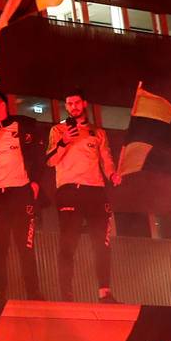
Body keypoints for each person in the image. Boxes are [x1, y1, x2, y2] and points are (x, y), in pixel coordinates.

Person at [0, 91, 47, 299]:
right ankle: (1, 293)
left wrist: (36, 183)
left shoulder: (26, 126)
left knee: (26, 247)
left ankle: (34, 293)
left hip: (22, 193)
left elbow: (40, 159)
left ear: (2, 104)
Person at [46, 90, 121, 301]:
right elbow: (50, 160)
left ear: (84, 104)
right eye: (69, 103)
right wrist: (64, 142)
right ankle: (66, 293)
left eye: (77, 102)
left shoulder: (98, 132)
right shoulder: (58, 129)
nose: (73, 107)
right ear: (66, 106)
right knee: (68, 243)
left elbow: (106, 159)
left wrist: (113, 174)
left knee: (102, 243)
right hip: (69, 190)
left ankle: (105, 292)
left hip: (96, 191)